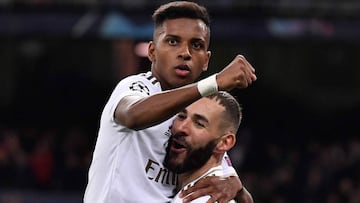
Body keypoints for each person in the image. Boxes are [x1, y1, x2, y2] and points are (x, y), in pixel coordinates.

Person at [84, 1, 257, 203]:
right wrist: (214, 82)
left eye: (196, 45)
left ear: (206, 60)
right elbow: (132, 115)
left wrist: (237, 189)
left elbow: (234, 187)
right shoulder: (138, 87)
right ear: (152, 51)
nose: (185, 53)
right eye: (173, 41)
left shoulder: (194, 116)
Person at [164, 91, 252, 203]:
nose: (182, 128)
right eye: (182, 116)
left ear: (224, 142)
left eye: (199, 124)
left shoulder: (205, 199)